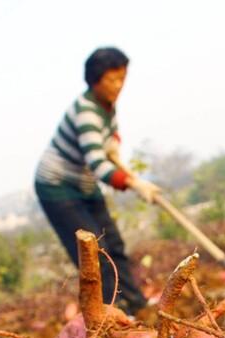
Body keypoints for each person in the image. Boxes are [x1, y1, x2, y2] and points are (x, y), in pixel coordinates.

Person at [35, 46, 160, 315]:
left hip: (84, 184)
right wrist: (135, 183)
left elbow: (110, 137)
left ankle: (137, 304)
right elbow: (99, 164)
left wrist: (114, 143)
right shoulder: (87, 112)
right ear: (95, 81)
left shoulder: (107, 106)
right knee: (95, 253)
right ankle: (108, 315)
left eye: (122, 78)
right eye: (113, 80)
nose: (119, 86)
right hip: (57, 187)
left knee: (114, 244)